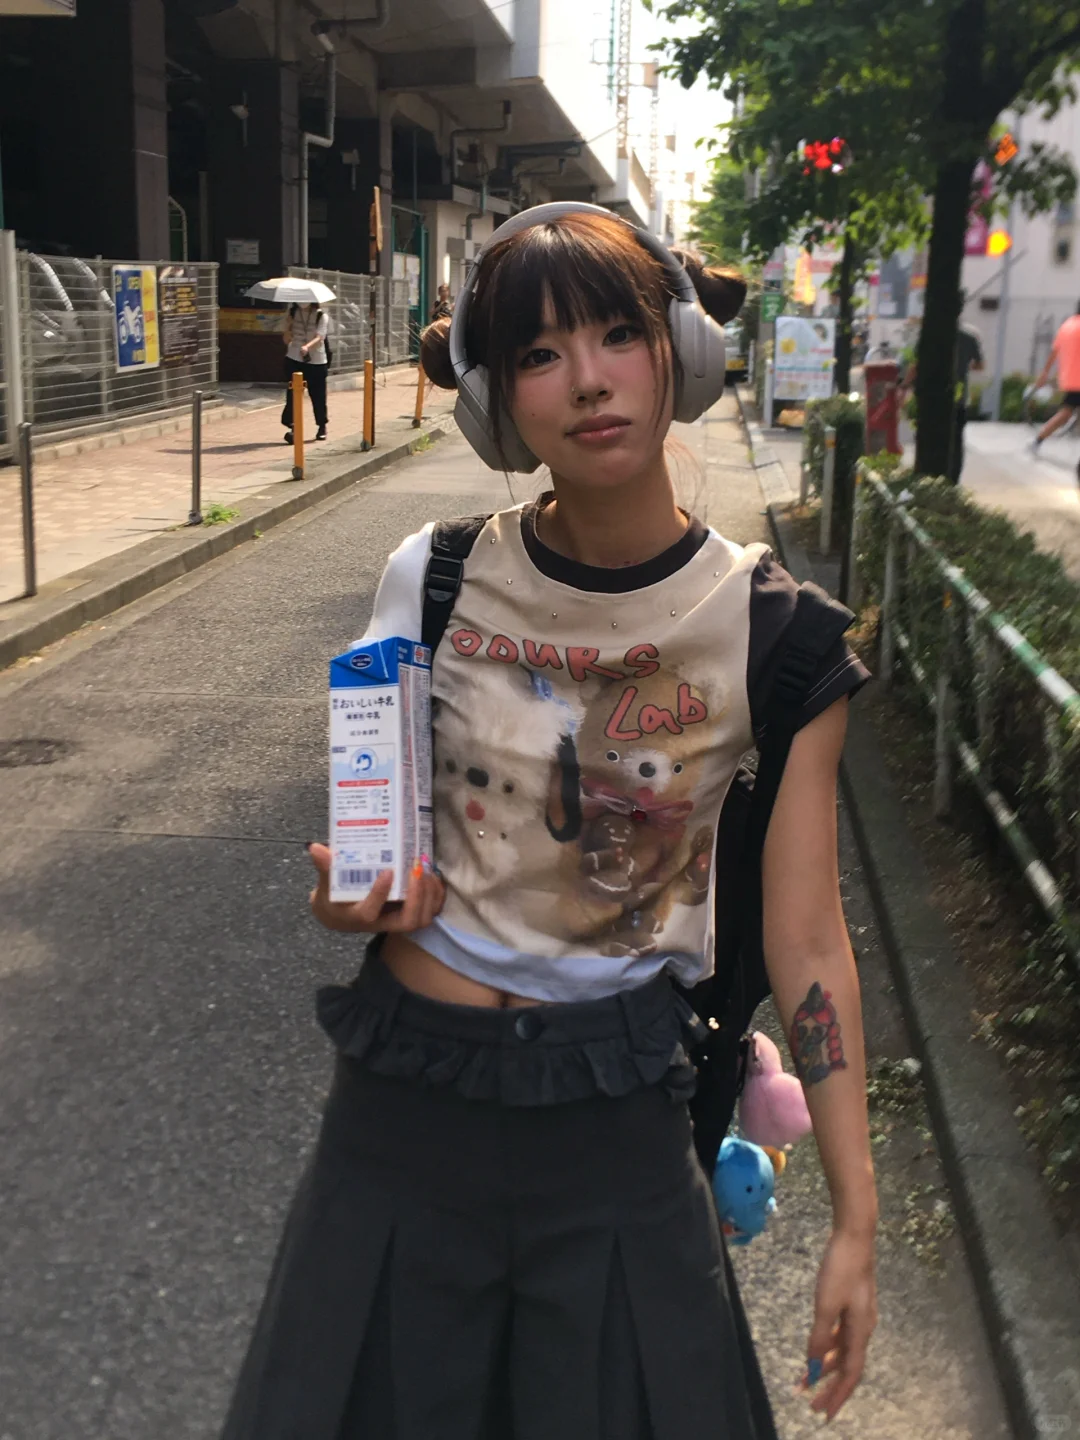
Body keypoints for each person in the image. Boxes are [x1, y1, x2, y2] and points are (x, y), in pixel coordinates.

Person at [223, 204, 878, 1440]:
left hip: (614, 1126)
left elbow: (808, 940)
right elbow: (373, 827)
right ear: (494, 399)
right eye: (537, 352)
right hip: (404, 1108)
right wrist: (349, 893)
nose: (586, 379)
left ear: (680, 349)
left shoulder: (776, 634)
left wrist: (857, 1214)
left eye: (617, 334)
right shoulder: (435, 575)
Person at [899, 312, 984, 483]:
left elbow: (916, 365)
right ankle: (953, 479)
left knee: (930, 437)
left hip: (932, 397)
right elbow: (980, 365)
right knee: (956, 441)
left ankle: (929, 477)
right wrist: (963, 367)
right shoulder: (969, 338)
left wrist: (905, 385)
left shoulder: (929, 336)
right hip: (958, 397)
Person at [1030, 300, 1080, 450]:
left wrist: (1045, 372)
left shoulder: (1066, 326)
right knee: (1065, 414)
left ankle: (1038, 440)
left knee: (1065, 413)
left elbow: (1054, 351)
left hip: (1071, 380)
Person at [282, 302, 330, 443]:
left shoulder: (321, 315)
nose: (302, 302)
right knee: (293, 394)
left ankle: (322, 426)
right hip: (294, 358)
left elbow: (320, 336)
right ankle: (293, 426)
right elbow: (286, 340)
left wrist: (307, 347)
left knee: (318, 395)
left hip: (316, 360)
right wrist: (288, 326)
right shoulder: (292, 314)